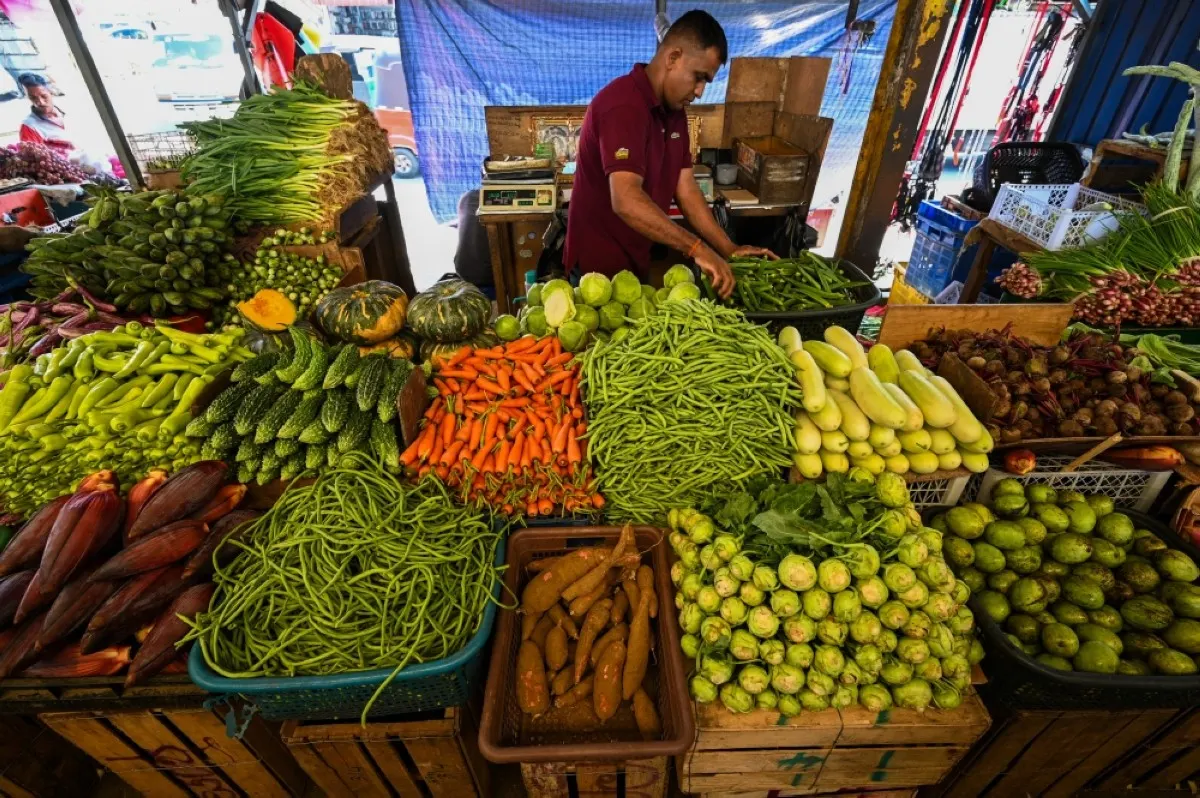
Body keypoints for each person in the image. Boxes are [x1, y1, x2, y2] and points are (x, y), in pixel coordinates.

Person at [563, 10, 775, 298]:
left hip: (634, 259)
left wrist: (729, 249)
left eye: (706, 82)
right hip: (596, 270)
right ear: (673, 58)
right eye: (698, 77)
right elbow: (625, 199)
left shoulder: (674, 114)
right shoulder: (622, 106)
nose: (700, 91)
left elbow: (686, 189)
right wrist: (696, 248)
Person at [17, 73, 72, 157]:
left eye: (44, 96)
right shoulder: (29, 127)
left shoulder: (69, 112)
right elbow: (33, 162)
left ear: (51, 92)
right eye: (33, 98)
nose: (40, 102)